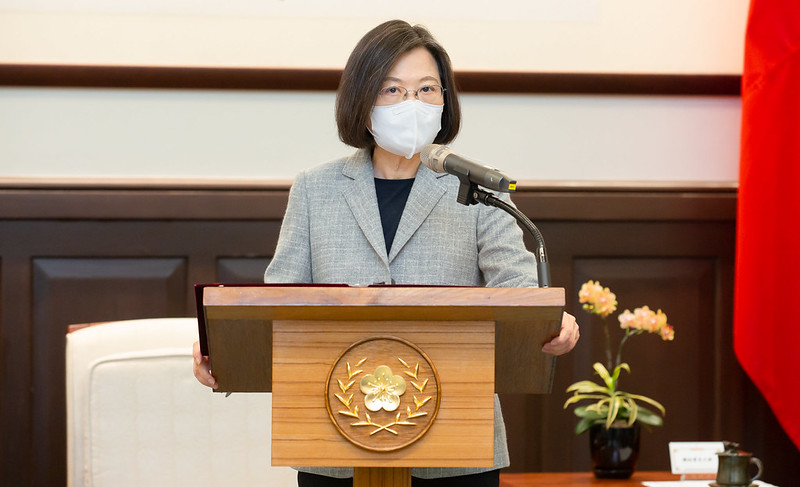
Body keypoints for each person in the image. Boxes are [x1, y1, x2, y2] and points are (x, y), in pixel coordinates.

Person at [194, 19, 579, 487]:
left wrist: (550, 324)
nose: (411, 103)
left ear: (445, 100)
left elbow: (518, 294)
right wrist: (227, 353)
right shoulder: (316, 189)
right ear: (362, 101)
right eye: (392, 90)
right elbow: (279, 304)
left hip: (458, 449)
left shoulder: (478, 190)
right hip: (336, 441)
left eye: (426, 89)